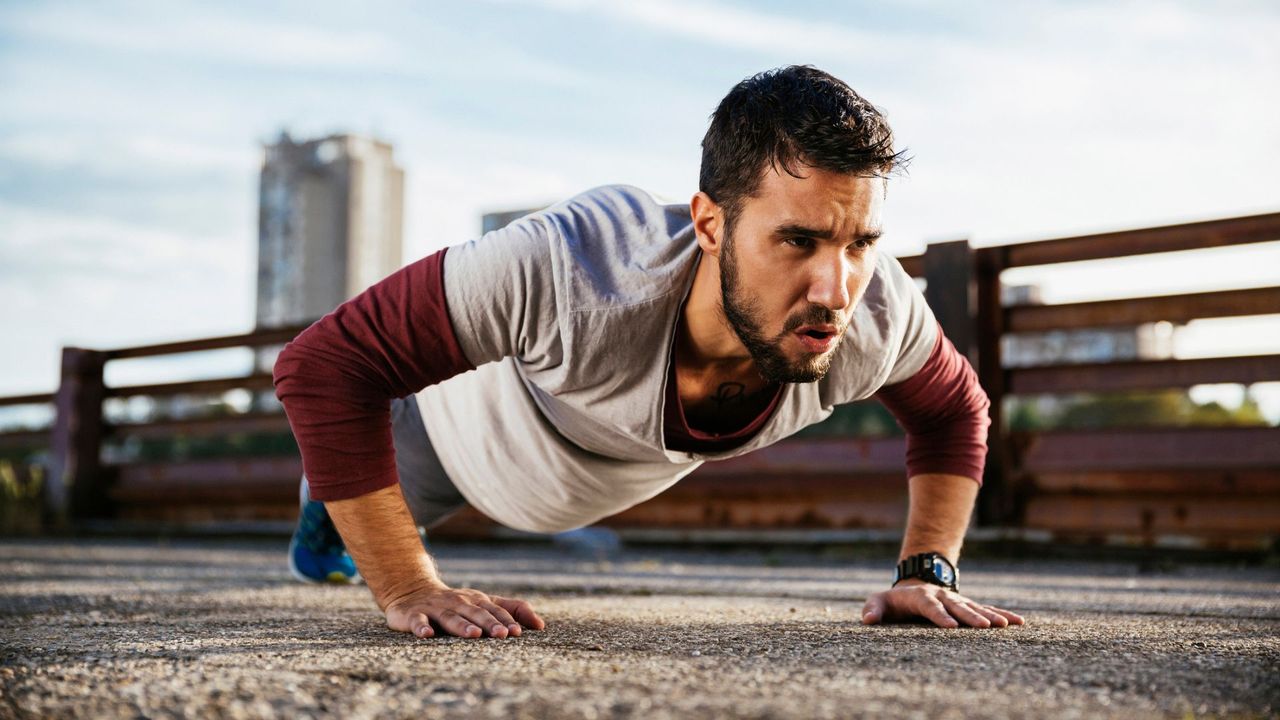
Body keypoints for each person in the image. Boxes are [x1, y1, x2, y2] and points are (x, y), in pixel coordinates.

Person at [273, 65, 1026, 640]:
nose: (835, 287)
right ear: (709, 224)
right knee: (347, 522)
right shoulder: (572, 264)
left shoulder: (876, 310)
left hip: (592, 475)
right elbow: (324, 365)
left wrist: (926, 567)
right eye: (797, 240)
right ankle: (322, 514)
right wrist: (406, 586)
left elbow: (956, 412)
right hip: (454, 440)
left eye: (859, 242)